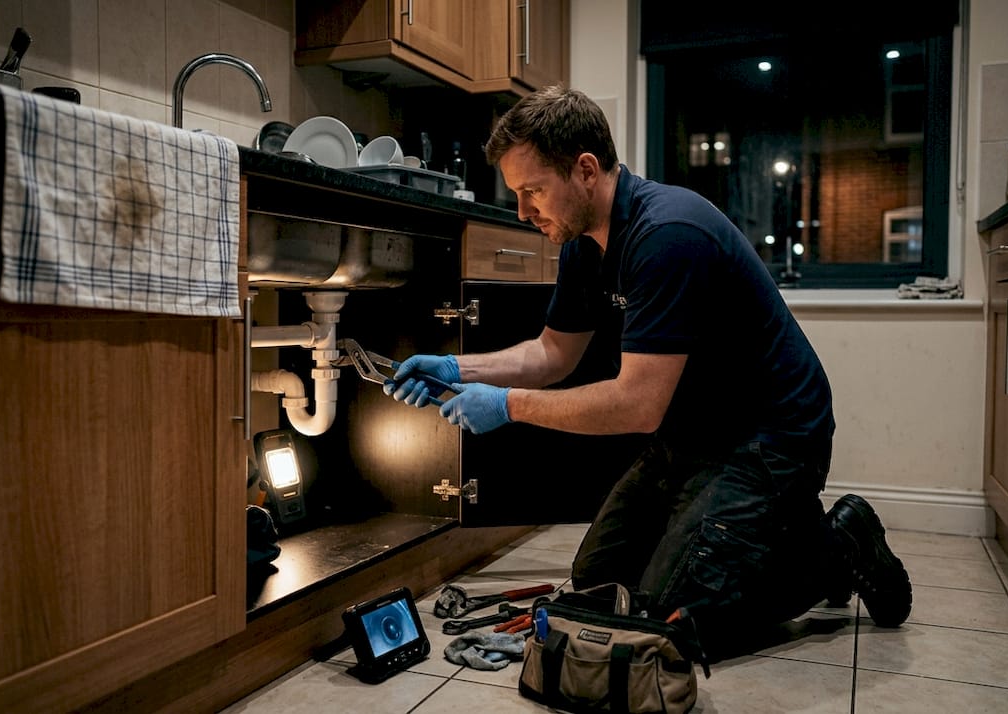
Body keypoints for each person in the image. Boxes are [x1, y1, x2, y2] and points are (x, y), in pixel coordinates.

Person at [385, 85, 912, 652]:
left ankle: (836, 547)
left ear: (586, 170)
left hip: (772, 437)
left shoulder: (667, 236)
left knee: (671, 621)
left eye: (532, 190)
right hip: (690, 436)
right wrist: (457, 368)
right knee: (596, 586)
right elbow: (552, 352)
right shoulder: (583, 244)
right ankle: (754, 537)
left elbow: (637, 405)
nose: (522, 211)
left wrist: (509, 405)